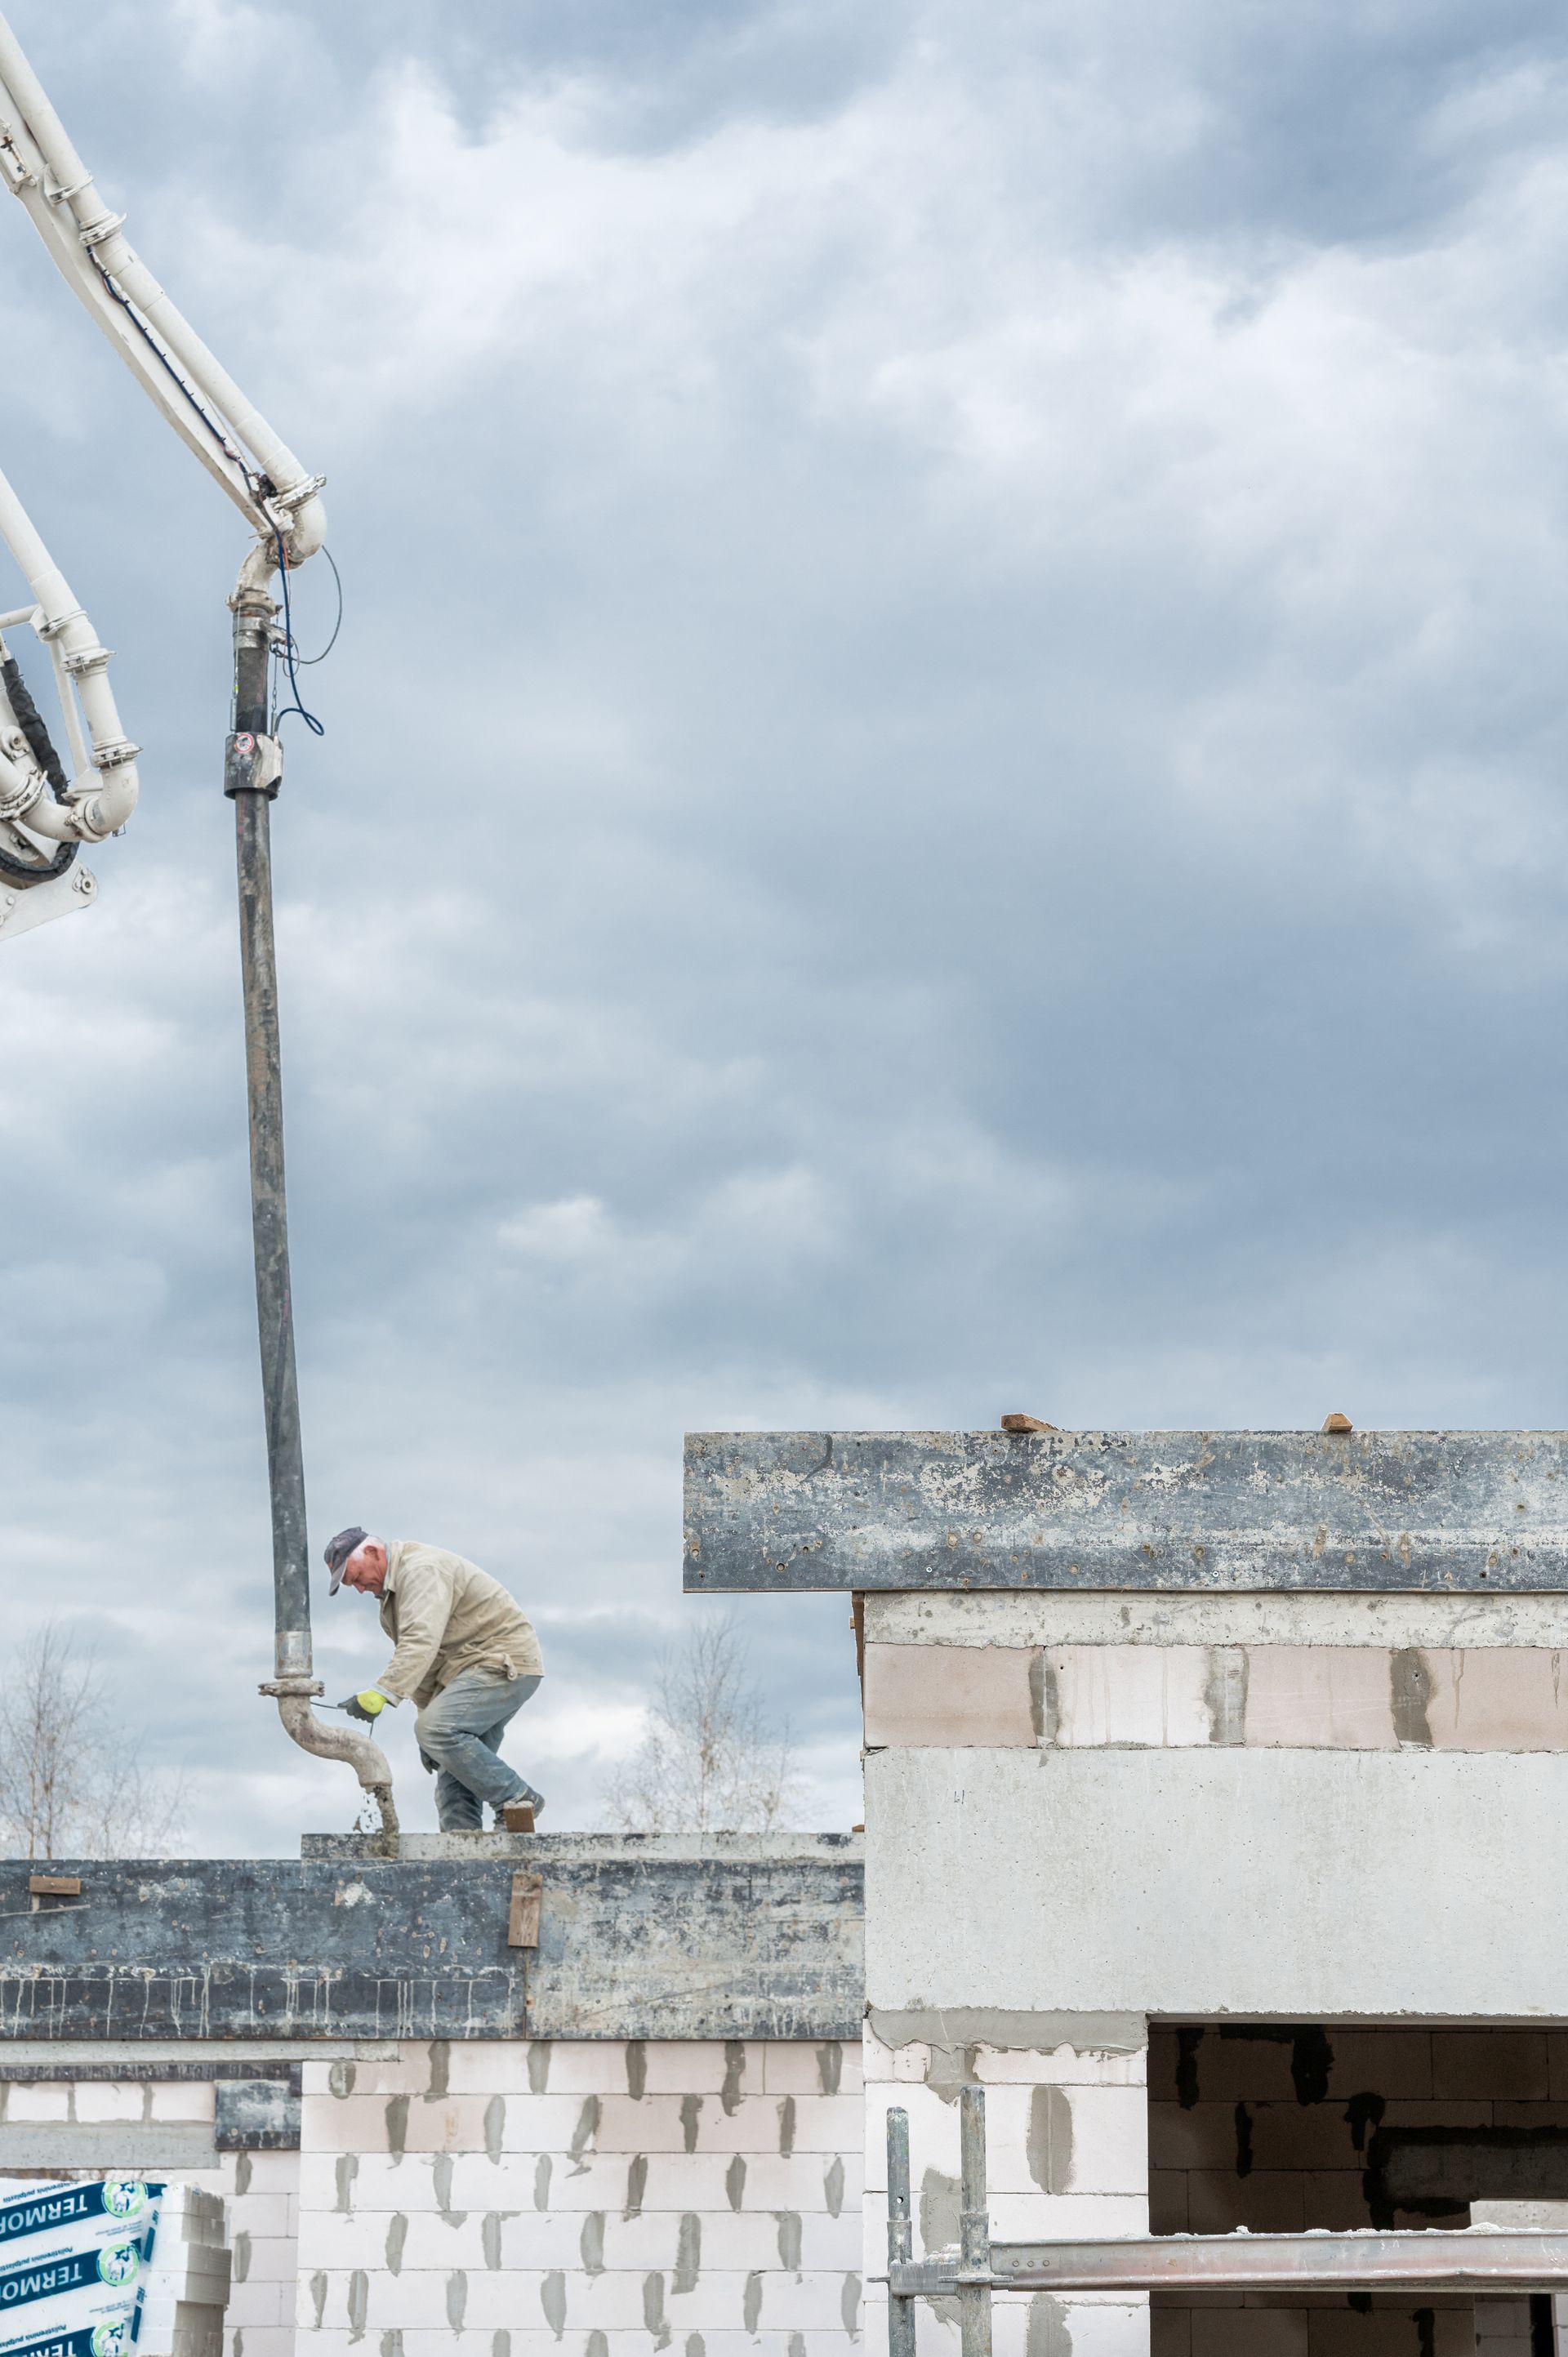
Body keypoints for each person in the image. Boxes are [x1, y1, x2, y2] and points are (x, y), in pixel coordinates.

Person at [323, 1527, 546, 1832]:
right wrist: (429, 1725)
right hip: (467, 1670)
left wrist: (382, 1693)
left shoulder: (420, 1570)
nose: (360, 1589)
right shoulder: (393, 1599)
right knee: (453, 1769)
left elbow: (420, 1642)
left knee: (438, 1731)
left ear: (373, 1553)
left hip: (499, 1663)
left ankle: (518, 1800)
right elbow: (427, 1668)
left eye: (357, 1577)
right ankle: (462, 1847)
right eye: (352, 1586)